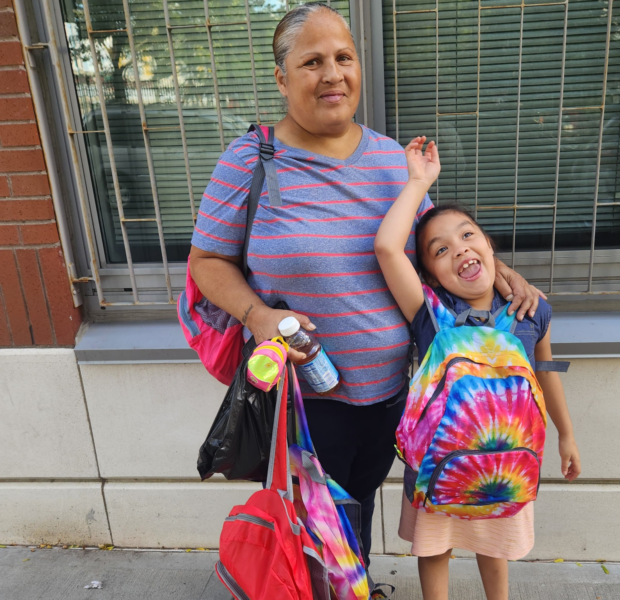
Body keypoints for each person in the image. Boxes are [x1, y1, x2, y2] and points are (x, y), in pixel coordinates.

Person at [187, 2, 543, 581]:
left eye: (344, 58)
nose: (333, 74)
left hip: (390, 399)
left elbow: (438, 252)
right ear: (282, 78)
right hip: (303, 405)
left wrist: (500, 276)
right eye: (313, 62)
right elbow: (207, 261)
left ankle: (353, 587)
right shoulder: (250, 161)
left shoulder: (389, 159)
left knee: (358, 513)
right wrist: (255, 314)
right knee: (309, 532)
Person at [374, 136, 582, 600]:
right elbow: (388, 248)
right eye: (440, 250)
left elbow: (546, 371)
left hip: (504, 464)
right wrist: (418, 182)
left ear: (489, 245)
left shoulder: (532, 312)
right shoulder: (428, 314)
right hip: (437, 462)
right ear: (428, 276)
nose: (461, 250)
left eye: (468, 236)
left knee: (496, 546)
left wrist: (566, 433)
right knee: (435, 547)